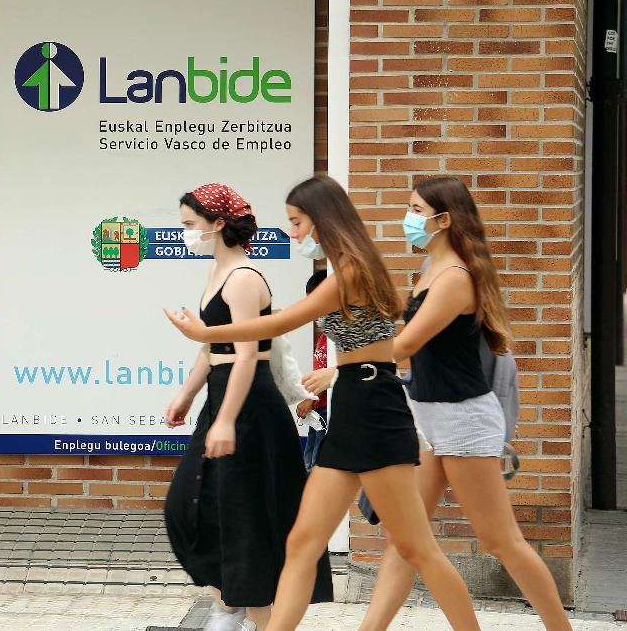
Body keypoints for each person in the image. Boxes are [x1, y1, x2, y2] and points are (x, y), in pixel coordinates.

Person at [164, 174, 482, 631]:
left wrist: (205, 334)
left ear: (321, 221)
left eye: (296, 222)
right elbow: (373, 338)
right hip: (352, 402)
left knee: (416, 549)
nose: (291, 233)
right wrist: (338, 372)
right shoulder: (339, 272)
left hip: (375, 410)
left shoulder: (348, 271)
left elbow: (278, 324)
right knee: (302, 543)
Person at [343, 176, 571, 631]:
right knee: (406, 540)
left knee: (499, 540)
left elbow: (404, 344)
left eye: (415, 210)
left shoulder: (455, 279)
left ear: (443, 220)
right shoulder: (428, 269)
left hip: (463, 420)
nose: (408, 218)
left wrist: (343, 369)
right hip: (429, 420)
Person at [162, 183, 333, 631]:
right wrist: (186, 395)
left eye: (190, 225)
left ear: (219, 225)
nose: (185, 234)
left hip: (249, 405)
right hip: (224, 396)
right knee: (190, 506)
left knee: (245, 514)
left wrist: (225, 420)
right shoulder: (217, 274)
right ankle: (230, 602)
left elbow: (246, 355)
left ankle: (251, 611)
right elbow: (211, 347)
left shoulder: (242, 279)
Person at [295, 270, 329, 473]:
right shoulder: (324, 336)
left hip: (326, 410)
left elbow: (330, 374)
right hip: (318, 411)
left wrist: (311, 398)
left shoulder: (335, 338)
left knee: (318, 467)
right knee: (308, 464)